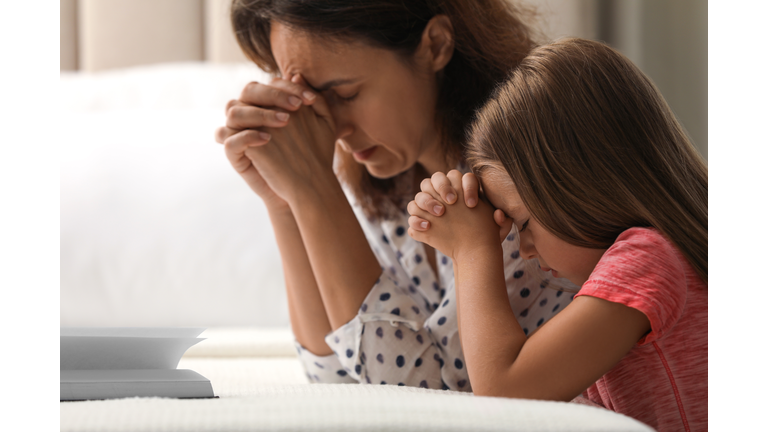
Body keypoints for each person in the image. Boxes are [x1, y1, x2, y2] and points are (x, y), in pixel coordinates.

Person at [214, 0, 577, 390]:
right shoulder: (396, 185)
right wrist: (284, 202)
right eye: (311, 101)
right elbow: (335, 375)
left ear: (436, 45)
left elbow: (425, 394)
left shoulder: (516, 186)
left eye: (346, 94)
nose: (332, 128)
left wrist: (314, 191)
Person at [407, 38, 707, 431]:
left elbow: (504, 395)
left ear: (582, 185)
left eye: (524, 224)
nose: (525, 250)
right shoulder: (660, 259)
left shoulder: (648, 258)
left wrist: (472, 250)